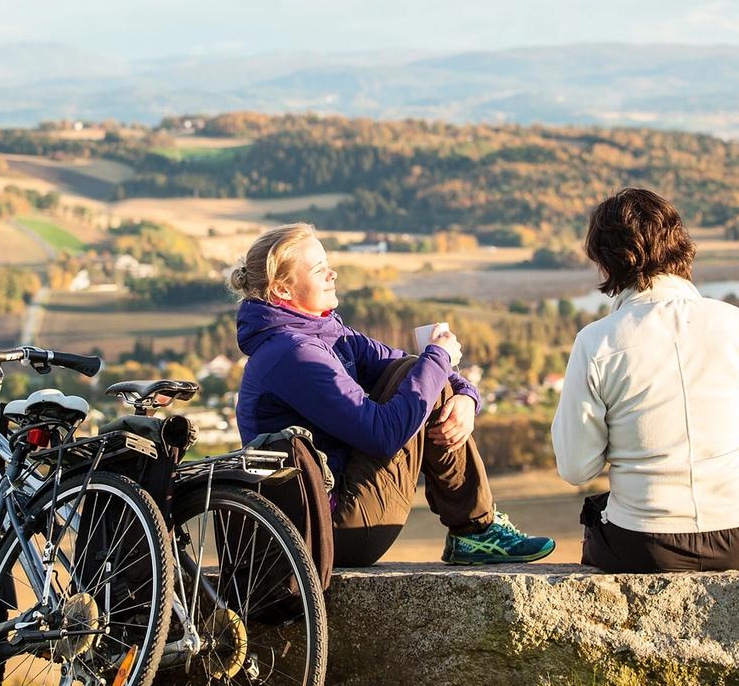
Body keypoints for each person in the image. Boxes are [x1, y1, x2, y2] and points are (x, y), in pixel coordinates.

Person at [232, 223, 555, 566]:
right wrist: (440, 357)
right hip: (330, 532)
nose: (333, 273)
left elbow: (405, 365)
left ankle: (475, 530)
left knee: (418, 371)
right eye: (319, 269)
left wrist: (465, 396)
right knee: (421, 373)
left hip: (333, 518)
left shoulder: (325, 334)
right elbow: (382, 435)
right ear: (282, 288)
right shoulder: (292, 353)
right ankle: (475, 530)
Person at [552, 188, 739, 573]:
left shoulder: (596, 342)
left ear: (605, 263)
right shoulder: (736, 324)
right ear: (681, 246)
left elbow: (575, 468)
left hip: (643, 545)